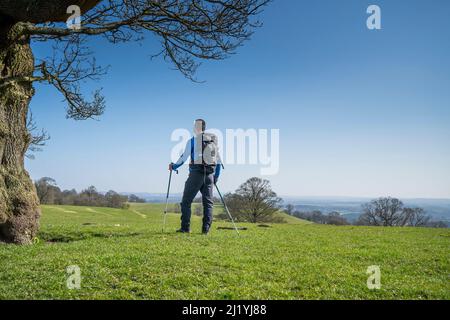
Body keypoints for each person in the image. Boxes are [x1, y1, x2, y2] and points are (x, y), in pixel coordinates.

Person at [169, 119, 222, 234]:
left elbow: (183, 158)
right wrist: (215, 177)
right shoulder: (212, 142)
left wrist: (173, 166)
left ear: (196, 128)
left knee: (186, 202)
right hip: (209, 175)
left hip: (195, 175)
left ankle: (185, 228)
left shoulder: (193, 141)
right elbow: (218, 162)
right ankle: (205, 230)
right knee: (208, 204)